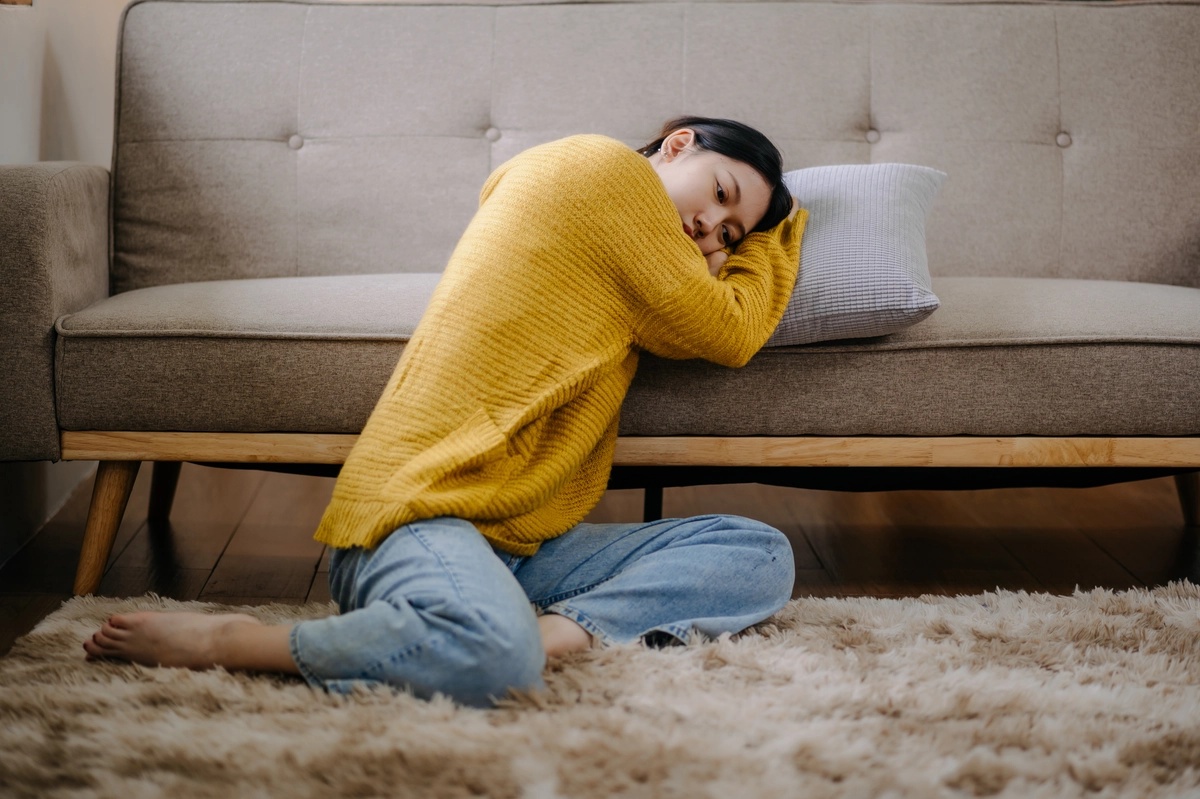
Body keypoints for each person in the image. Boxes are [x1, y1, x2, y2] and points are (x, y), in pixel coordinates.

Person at [83, 117, 809, 707]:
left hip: (516, 543)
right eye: (718, 194)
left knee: (761, 553)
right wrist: (786, 228)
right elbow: (733, 328)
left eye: (731, 234)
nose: (710, 228)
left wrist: (742, 239)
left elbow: (720, 316)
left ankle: (551, 634)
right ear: (677, 142)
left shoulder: (646, 251)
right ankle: (237, 642)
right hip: (418, 517)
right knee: (496, 661)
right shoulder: (604, 173)